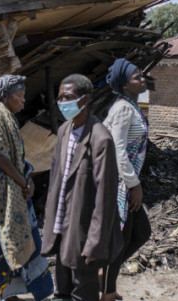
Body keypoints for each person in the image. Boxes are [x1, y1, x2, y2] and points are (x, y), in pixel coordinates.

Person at [0, 74, 54, 301]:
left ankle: (9, 293)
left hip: (12, 189)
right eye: (19, 96)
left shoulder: (8, 118)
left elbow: (17, 159)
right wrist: (22, 181)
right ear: (6, 96)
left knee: (18, 242)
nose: (23, 101)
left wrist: (29, 180)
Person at [42, 74, 122, 301]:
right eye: (59, 98)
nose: (61, 103)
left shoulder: (100, 139)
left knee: (83, 293)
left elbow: (105, 198)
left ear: (85, 100)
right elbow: (56, 181)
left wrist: (94, 244)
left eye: (67, 98)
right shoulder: (64, 131)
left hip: (85, 235)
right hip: (62, 229)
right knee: (62, 292)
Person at [101, 59, 152, 301]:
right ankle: (108, 293)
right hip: (119, 184)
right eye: (136, 77)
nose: (142, 80)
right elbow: (118, 150)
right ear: (123, 85)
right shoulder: (122, 108)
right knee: (120, 240)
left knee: (141, 232)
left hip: (125, 181)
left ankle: (104, 276)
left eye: (142, 75)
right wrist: (134, 185)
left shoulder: (132, 106)